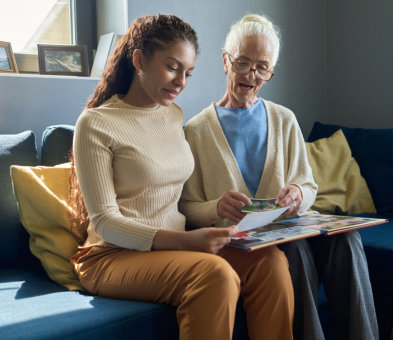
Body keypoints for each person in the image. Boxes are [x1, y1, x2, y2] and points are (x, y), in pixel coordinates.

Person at [69, 14, 294, 340]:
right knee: (215, 275)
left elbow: (181, 201)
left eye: (187, 72)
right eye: (172, 67)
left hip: (172, 250)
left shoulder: (174, 115)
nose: (180, 81)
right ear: (139, 60)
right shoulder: (95, 124)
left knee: (268, 261)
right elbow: (105, 222)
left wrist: (214, 217)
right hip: (111, 256)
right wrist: (187, 240)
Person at [179, 14, 379, 340]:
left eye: (263, 67)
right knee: (294, 252)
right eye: (243, 63)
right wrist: (217, 208)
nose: (251, 75)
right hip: (252, 244)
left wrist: (299, 193)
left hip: (295, 226)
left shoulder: (285, 119)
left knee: (348, 240)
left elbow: (308, 184)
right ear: (225, 61)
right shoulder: (196, 131)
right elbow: (186, 207)